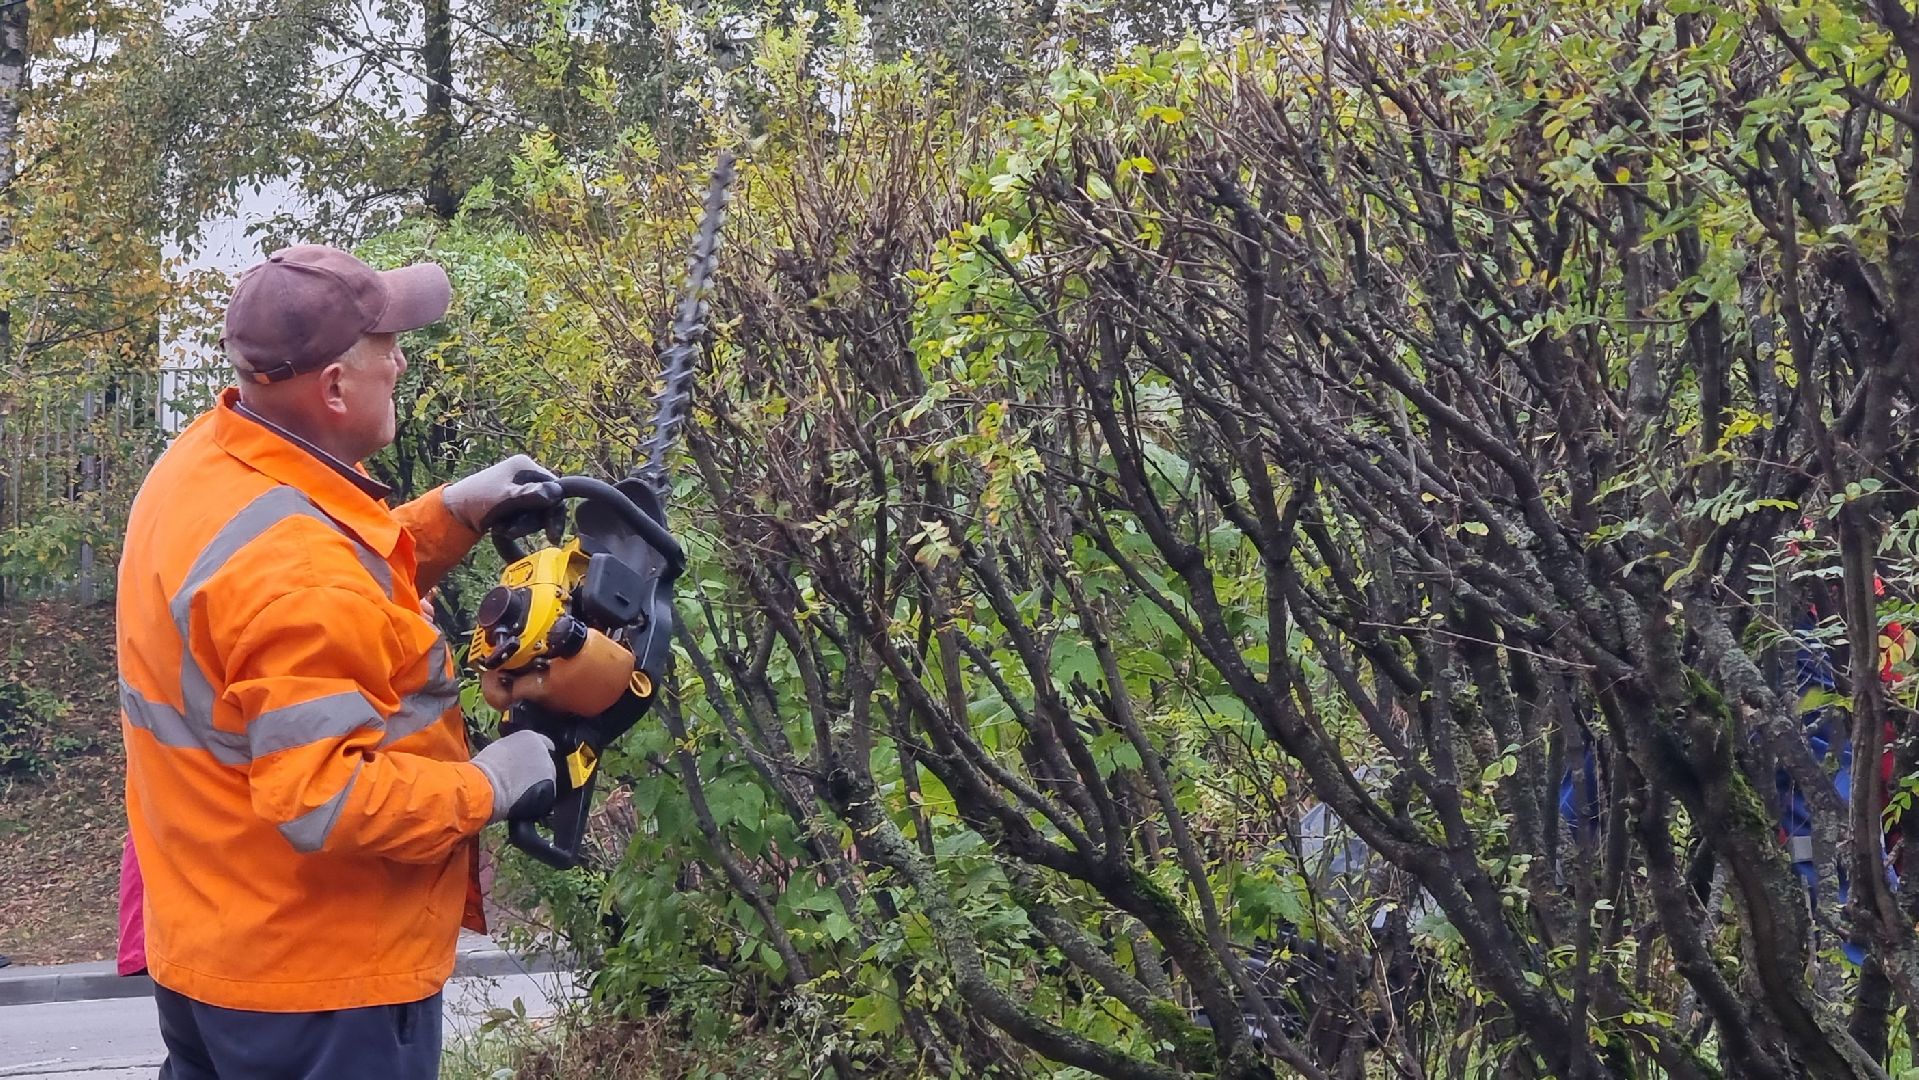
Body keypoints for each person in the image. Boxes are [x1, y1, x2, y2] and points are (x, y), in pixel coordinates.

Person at [117, 243, 563, 1079]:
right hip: (316, 980)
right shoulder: (291, 567)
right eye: (386, 346)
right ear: (330, 387)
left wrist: (453, 513)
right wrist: (493, 782)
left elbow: (326, 593)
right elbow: (328, 796)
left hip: (216, 941)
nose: (400, 361)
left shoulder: (206, 462)